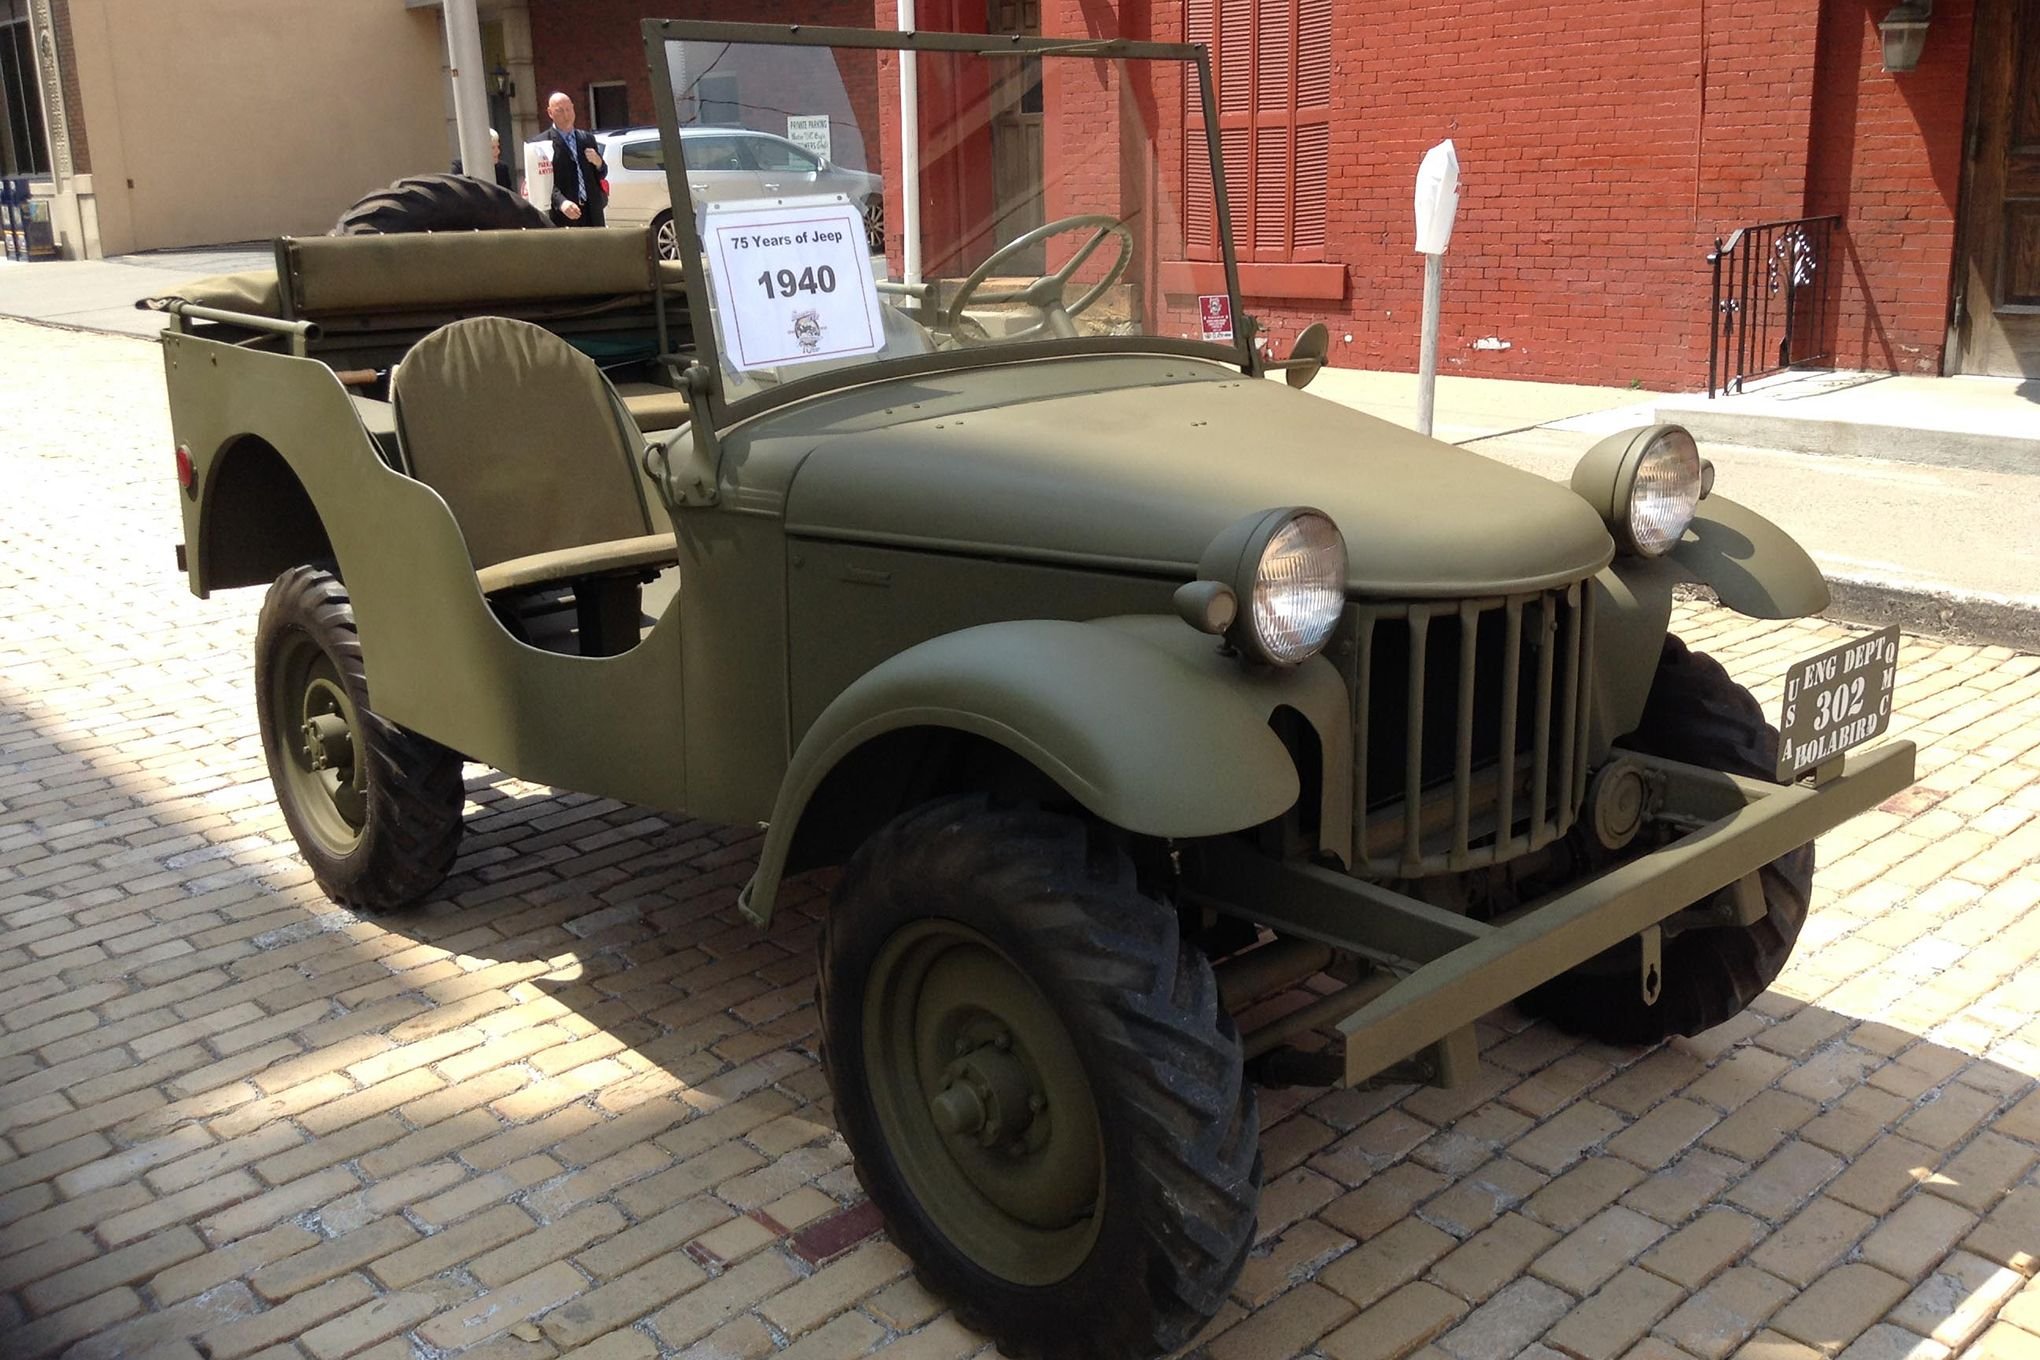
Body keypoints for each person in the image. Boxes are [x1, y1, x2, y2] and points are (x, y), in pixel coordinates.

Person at [545, 93, 607, 227]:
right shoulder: (542, 143)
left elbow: (601, 174)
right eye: (560, 110)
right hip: (564, 214)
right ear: (550, 113)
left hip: (592, 213)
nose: (566, 115)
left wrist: (598, 163)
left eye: (569, 109)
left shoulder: (587, 139)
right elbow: (543, 183)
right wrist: (561, 202)